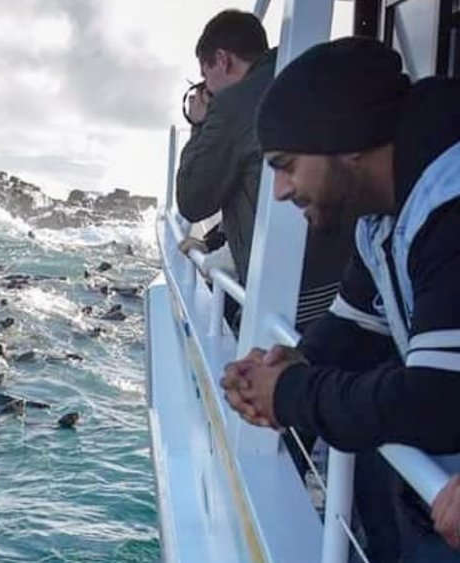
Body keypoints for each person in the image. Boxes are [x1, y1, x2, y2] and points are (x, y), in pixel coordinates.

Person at [220, 37, 460, 559]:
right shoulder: (384, 216)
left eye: (286, 163)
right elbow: (356, 325)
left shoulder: (449, 206)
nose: (281, 190)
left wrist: (291, 396)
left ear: (347, 139)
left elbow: (438, 402)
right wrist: (297, 361)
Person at [175, 9, 349, 332]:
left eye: (205, 73)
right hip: (346, 288)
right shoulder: (302, 75)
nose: (207, 88)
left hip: (288, 304)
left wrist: (200, 125)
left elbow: (193, 199)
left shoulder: (235, 105)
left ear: (223, 60)